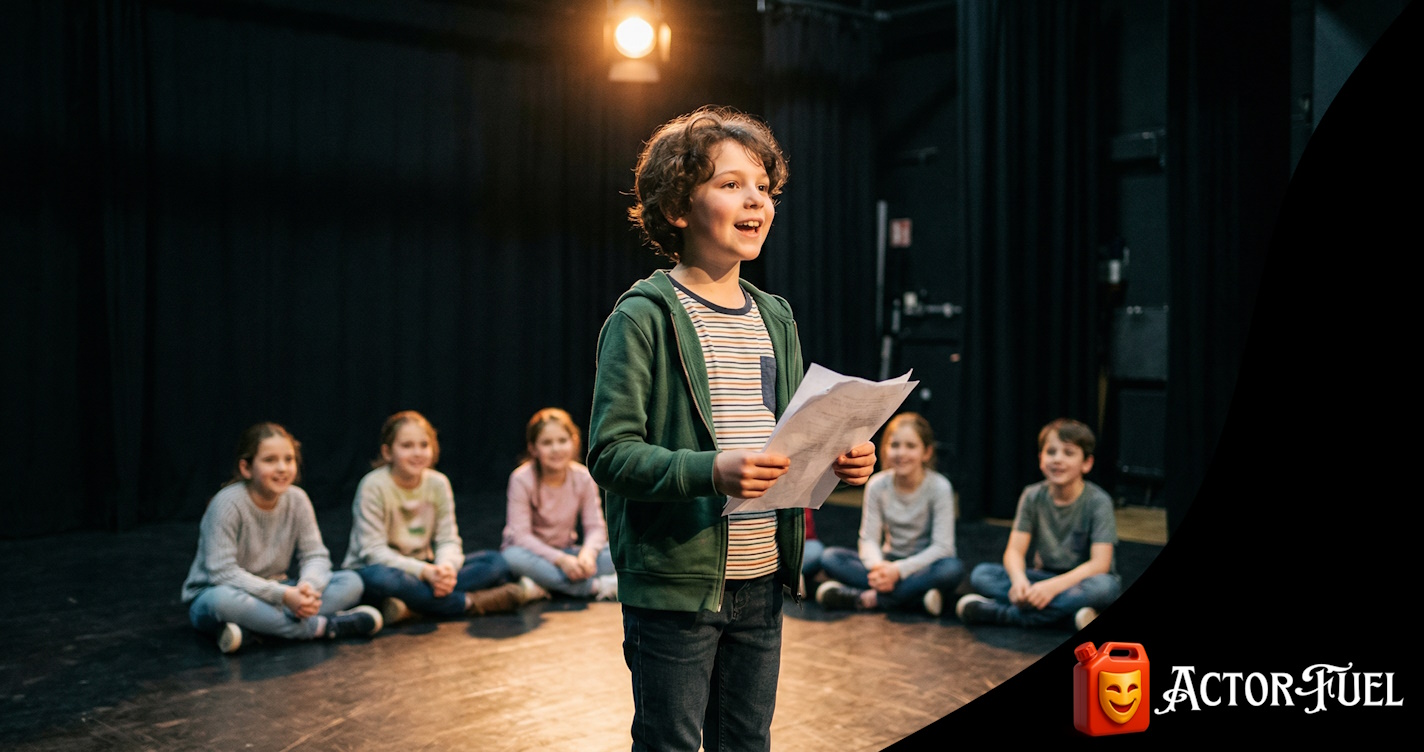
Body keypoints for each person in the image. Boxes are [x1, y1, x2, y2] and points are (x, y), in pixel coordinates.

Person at [586, 105, 877, 752]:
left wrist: (845, 455)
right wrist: (711, 469)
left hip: (762, 578)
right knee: (669, 742)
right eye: (730, 184)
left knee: (747, 743)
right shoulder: (643, 316)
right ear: (677, 209)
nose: (756, 200)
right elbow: (610, 454)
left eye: (765, 189)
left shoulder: (776, 317)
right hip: (676, 584)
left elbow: (796, 435)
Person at [182, 422, 382, 654]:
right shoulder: (226, 504)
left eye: (288, 460)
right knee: (221, 601)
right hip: (220, 593)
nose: (282, 468)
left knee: (351, 582)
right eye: (270, 460)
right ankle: (322, 627)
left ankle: (259, 629)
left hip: (279, 592)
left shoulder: (298, 499)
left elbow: (315, 555)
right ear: (246, 468)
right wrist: (285, 596)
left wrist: (308, 588)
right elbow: (222, 573)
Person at [343, 410, 543, 625]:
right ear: (388, 451)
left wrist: (445, 568)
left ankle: (414, 608)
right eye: (407, 446)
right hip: (385, 570)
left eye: (424, 445)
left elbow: (448, 539)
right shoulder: (373, 485)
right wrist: (425, 572)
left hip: (425, 571)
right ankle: (469, 602)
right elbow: (373, 553)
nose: (417, 452)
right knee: (379, 579)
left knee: (495, 562)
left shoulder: (438, 483)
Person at [955, 417, 1121, 630]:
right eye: (1051, 452)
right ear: (1041, 458)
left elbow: (1100, 564)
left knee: (1105, 588)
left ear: (1087, 463)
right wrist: (1019, 582)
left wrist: (1052, 588)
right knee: (982, 575)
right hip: (1042, 577)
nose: (1057, 459)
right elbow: (1014, 550)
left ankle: (1002, 613)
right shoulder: (1032, 495)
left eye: (1068, 453)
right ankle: (1068, 618)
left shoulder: (1098, 501)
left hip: (1081, 581)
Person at [815, 412, 964, 616]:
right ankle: (917, 600)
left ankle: (865, 598)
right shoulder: (877, 485)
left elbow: (943, 547)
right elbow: (868, 540)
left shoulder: (939, 487)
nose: (901, 453)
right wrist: (879, 568)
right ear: (885, 449)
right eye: (895, 445)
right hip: (886, 563)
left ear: (927, 452)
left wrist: (899, 571)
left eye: (911, 446)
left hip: (923, 567)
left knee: (952, 568)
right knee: (831, 558)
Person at [500, 408, 618, 600]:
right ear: (533, 449)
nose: (556, 449)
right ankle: (597, 587)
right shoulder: (521, 479)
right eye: (547, 443)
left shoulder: (583, 477)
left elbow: (595, 527)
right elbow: (521, 536)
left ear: (574, 442)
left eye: (562, 441)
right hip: (533, 555)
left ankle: (543, 584)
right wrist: (561, 560)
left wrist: (586, 555)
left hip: (567, 551)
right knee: (511, 559)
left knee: (618, 552)